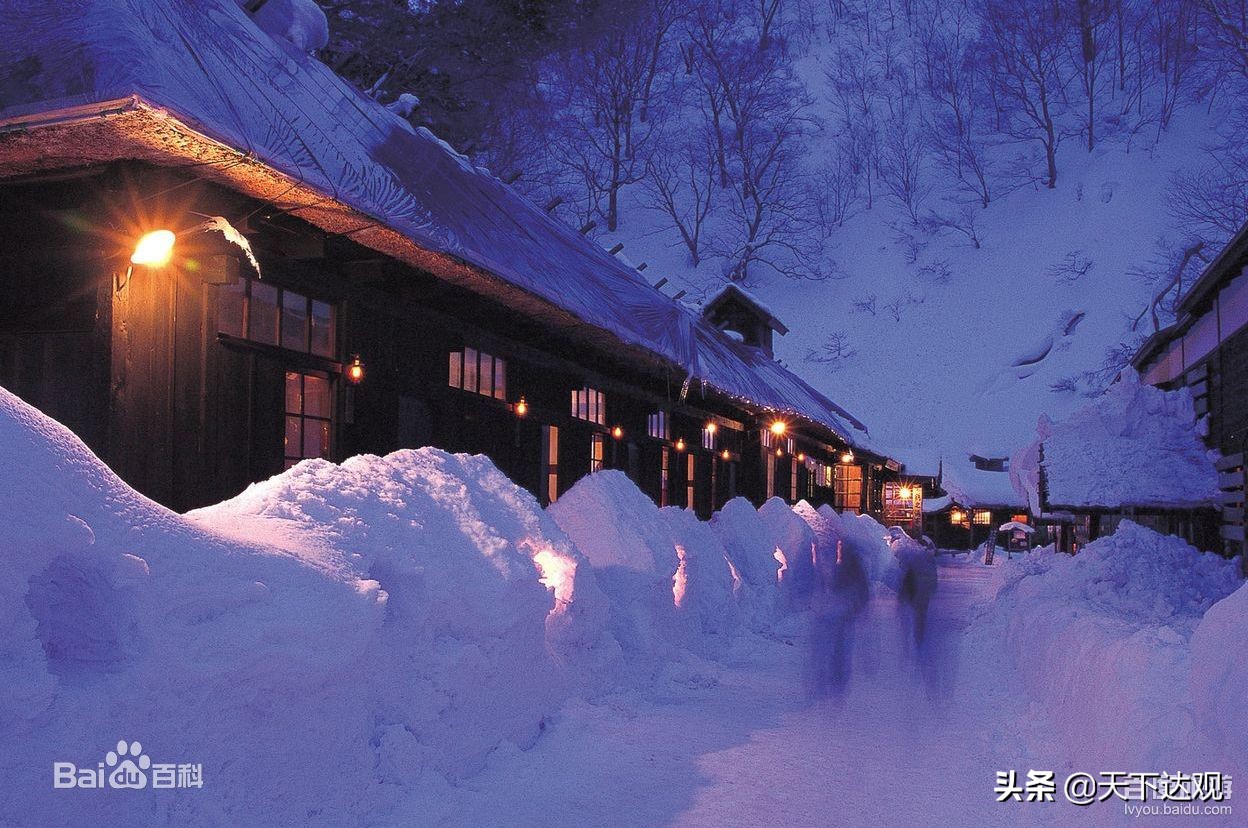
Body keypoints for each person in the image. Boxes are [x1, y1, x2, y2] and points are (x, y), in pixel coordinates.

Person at [807, 540, 869, 699]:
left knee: (832, 647)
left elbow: (833, 586)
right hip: (842, 614)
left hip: (838, 614)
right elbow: (862, 591)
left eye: (841, 547)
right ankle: (835, 678)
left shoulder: (844, 567)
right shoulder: (853, 568)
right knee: (838, 647)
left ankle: (828, 679)